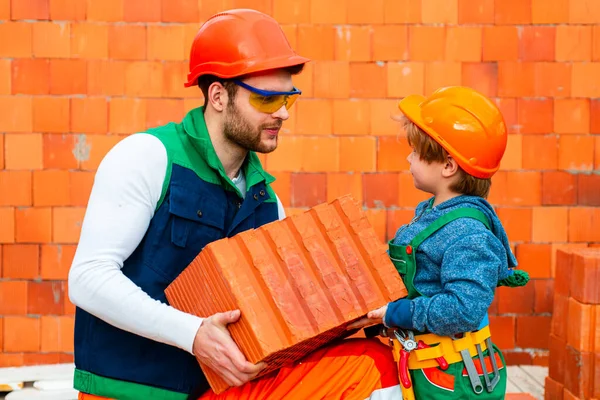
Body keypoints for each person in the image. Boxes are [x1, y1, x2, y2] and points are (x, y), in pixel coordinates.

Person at [69, 9, 401, 400]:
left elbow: (283, 320)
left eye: (287, 100)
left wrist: (346, 315)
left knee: (375, 362)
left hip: (219, 391)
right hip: (130, 391)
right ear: (218, 95)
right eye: (266, 99)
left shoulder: (266, 200)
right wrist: (192, 335)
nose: (281, 112)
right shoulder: (148, 157)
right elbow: (87, 279)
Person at [351, 86, 529, 400]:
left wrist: (397, 312)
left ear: (448, 166)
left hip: (449, 382)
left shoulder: (469, 235)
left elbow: (463, 310)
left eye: (416, 152)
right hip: (424, 368)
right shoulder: (432, 213)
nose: (408, 158)